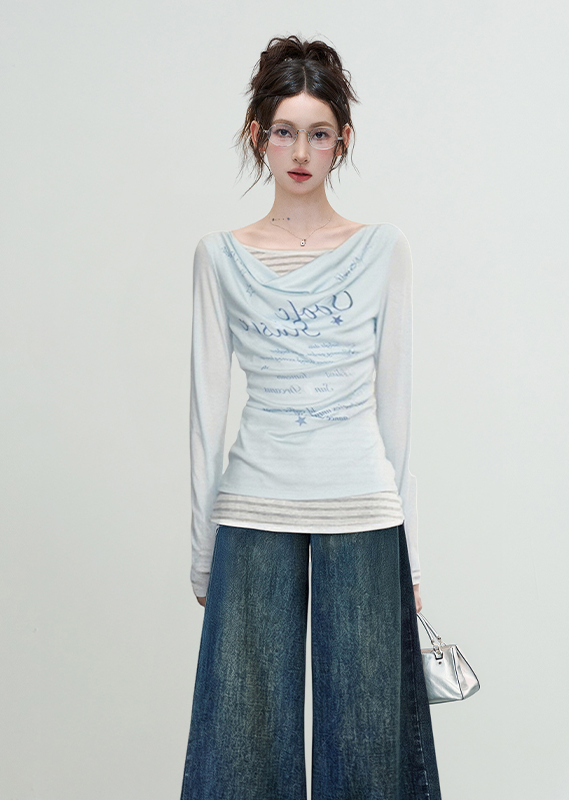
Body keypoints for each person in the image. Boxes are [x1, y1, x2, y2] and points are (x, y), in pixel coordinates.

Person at [181, 34, 441, 800]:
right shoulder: (218, 257)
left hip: (363, 513)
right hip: (252, 510)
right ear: (258, 135)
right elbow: (205, 414)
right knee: (241, 755)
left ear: (343, 140)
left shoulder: (383, 250)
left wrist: (412, 561)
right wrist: (203, 551)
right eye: (285, 131)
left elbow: (399, 412)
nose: (301, 152)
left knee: (368, 756)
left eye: (319, 133)